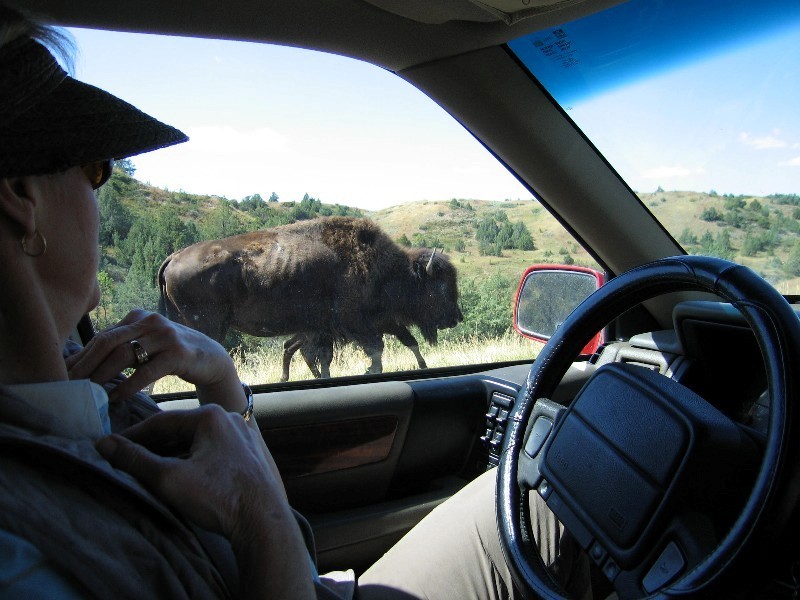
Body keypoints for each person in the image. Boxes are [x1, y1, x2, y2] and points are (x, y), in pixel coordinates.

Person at [0, 5, 591, 599]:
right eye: (98, 170)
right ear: (21, 197)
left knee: (540, 502)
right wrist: (262, 521)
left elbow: (290, 551)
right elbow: (280, 541)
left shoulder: (86, 402)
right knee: (565, 501)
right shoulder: (19, 555)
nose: (99, 194)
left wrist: (222, 380)